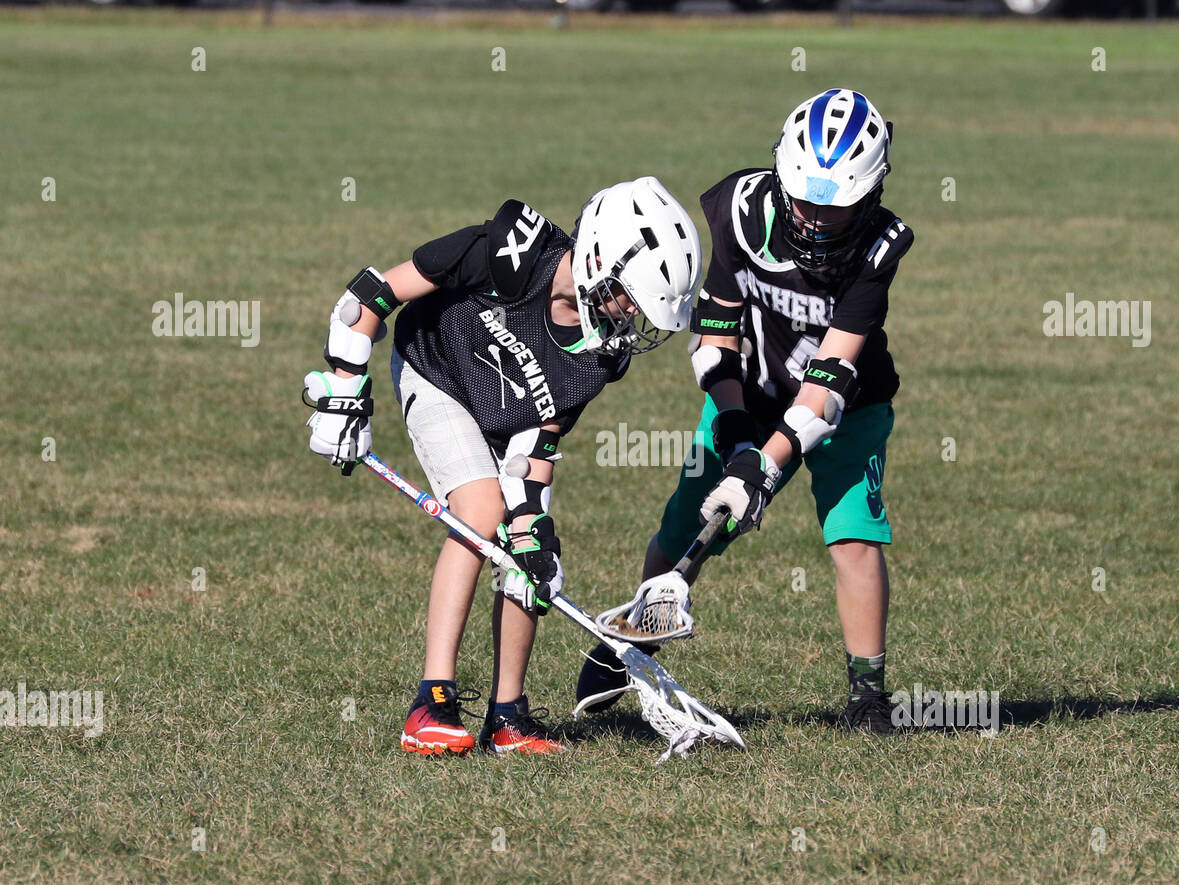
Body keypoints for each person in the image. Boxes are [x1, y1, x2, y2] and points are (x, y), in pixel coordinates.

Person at [305, 177, 701, 755]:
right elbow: (364, 300)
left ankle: (508, 717)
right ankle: (431, 700)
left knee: (528, 550)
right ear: (597, 259)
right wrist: (344, 393)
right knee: (481, 510)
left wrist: (532, 529)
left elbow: (539, 438)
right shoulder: (510, 254)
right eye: (629, 299)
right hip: (437, 372)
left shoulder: (602, 353)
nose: (630, 319)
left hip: (507, 413)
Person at [577, 90, 914, 734]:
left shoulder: (877, 252)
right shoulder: (738, 211)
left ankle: (868, 694)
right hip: (750, 396)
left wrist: (762, 469)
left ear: (869, 199)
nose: (814, 222)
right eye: (805, 203)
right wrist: (735, 440)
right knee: (683, 531)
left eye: (832, 210)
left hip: (848, 406)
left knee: (853, 537)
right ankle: (633, 649)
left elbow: (828, 385)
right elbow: (716, 335)